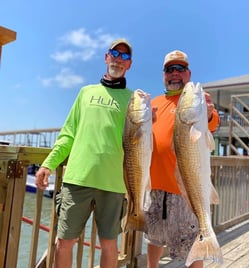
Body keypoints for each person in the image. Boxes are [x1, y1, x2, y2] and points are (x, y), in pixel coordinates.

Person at [35, 38, 133, 268]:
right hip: (77, 178)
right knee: (64, 241)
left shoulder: (133, 100)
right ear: (106, 57)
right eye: (115, 54)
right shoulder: (85, 92)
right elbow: (68, 133)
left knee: (109, 244)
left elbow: (141, 141)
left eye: (125, 57)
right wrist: (48, 164)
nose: (119, 60)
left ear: (129, 65)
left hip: (114, 184)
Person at [143, 50, 220, 268]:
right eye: (170, 69)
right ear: (163, 74)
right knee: (153, 238)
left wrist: (209, 114)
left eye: (180, 69)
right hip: (155, 188)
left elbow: (212, 123)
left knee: (192, 244)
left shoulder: (197, 99)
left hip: (186, 189)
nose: (175, 73)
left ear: (188, 73)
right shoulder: (155, 103)